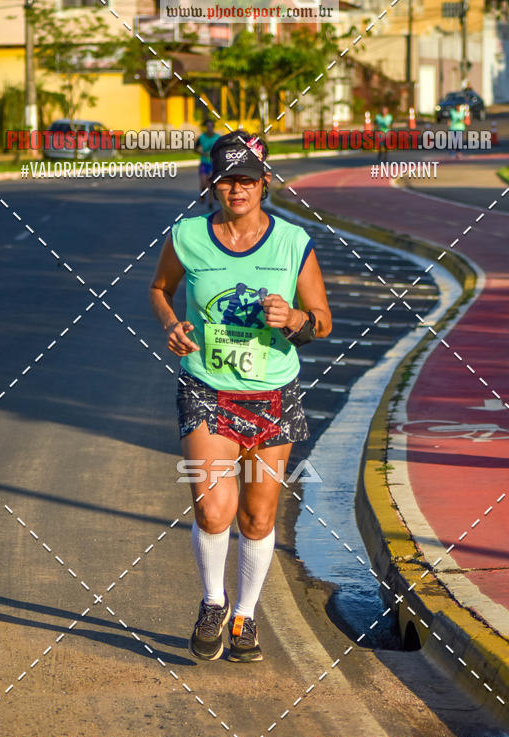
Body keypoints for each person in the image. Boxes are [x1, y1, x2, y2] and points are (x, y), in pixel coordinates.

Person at [149, 130, 332, 663]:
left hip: (274, 393)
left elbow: (321, 321)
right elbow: (159, 289)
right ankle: (213, 602)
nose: (237, 189)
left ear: (264, 183)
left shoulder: (292, 243)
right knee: (212, 511)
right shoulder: (187, 237)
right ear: (212, 184)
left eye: (247, 179)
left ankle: (246, 618)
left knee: (257, 517)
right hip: (206, 387)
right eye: (227, 179)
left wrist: (297, 319)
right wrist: (171, 324)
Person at [194, 119, 219, 208]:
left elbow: (221, 149)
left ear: (213, 127)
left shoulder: (217, 137)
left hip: (213, 164)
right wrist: (202, 153)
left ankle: (210, 202)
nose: (209, 128)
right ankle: (203, 194)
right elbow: (195, 149)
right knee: (203, 183)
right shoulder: (201, 137)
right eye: (207, 127)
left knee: (211, 183)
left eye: (210, 127)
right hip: (204, 163)